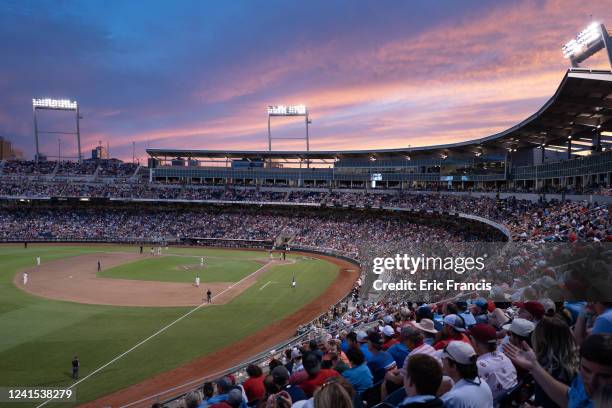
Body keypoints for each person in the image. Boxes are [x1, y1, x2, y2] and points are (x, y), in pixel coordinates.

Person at [504, 333, 612, 408]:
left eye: (604, 376)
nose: (592, 382)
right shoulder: (581, 380)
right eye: (587, 370)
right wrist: (534, 366)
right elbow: (570, 399)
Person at [469, 323, 517, 400]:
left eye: (471, 339)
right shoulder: (503, 356)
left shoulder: (478, 366)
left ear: (476, 343)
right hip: (510, 400)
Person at [440, 341, 493, 408]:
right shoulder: (483, 383)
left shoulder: (452, 398)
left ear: (453, 366)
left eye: (443, 359)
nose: (442, 361)